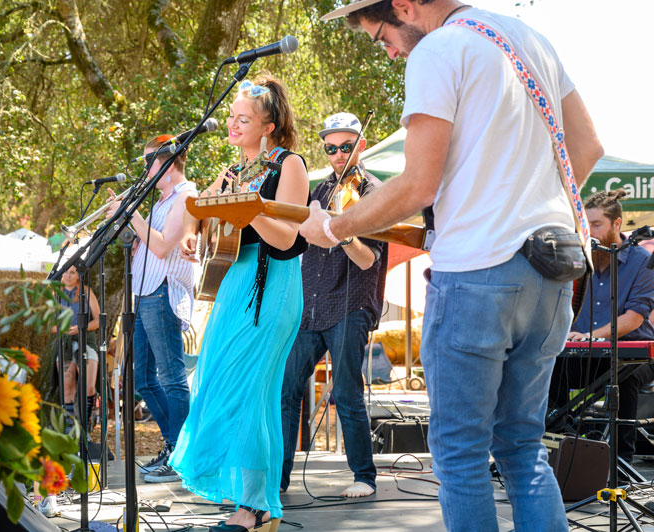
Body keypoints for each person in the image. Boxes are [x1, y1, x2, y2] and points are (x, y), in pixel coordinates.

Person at [299, 1, 604, 530]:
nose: (390, 52)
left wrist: (332, 227)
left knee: (460, 453)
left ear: (405, 5)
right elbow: (588, 146)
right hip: (551, 272)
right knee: (524, 448)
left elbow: (418, 185)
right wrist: (523, 202)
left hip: (478, 275)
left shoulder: (439, 47)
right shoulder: (530, 38)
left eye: (382, 37)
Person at [170, 74, 310, 532]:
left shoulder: (289, 165)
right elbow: (198, 209)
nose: (232, 124)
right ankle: (250, 498)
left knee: (254, 390)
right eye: (230, 117)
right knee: (216, 378)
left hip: (273, 281)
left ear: (268, 126)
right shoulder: (235, 171)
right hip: (235, 279)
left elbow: (288, 236)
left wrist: (247, 208)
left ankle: (256, 505)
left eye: (242, 118)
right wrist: (194, 236)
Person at [280, 112, 387, 498]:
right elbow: (298, 245)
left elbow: (368, 260)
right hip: (310, 306)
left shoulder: (374, 192)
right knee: (286, 388)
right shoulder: (319, 192)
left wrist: (339, 232)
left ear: (360, 144)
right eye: (331, 148)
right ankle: (278, 478)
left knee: (345, 391)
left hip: (350, 302)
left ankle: (364, 477)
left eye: (345, 146)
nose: (338, 154)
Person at [105, 135, 197, 483]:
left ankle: (181, 454)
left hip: (162, 292)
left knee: (172, 378)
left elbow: (161, 247)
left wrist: (134, 215)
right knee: (142, 378)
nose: (145, 169)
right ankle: (175, 446)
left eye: (149, 162)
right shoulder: (160, 200)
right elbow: (145, 245)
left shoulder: (186, 196)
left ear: (169, 163)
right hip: (143, 293)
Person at [549, 189, 654, 462]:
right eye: (586, 224)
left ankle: (620, 462)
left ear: (617, 224)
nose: (590, 231)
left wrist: (589, 336)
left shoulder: (643, 262)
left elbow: (634, 318)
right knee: (547, 370)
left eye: (597, 225)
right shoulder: (578, 259)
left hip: (633, 355)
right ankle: (557, 449)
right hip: (586, 354)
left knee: (625, 377)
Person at [53, 264, 101, 428]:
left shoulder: (85, 292)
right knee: (67, 386)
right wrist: (63, 329)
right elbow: (47, 324)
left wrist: (81, 328)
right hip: (65, 342)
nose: (68, 275)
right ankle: (69, 426)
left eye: (72, 272)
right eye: (65, 272)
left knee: (88, 387)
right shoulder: (55, 294)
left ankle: (86, 423)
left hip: (85, 340)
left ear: (78, 275)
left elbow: (99, 319)